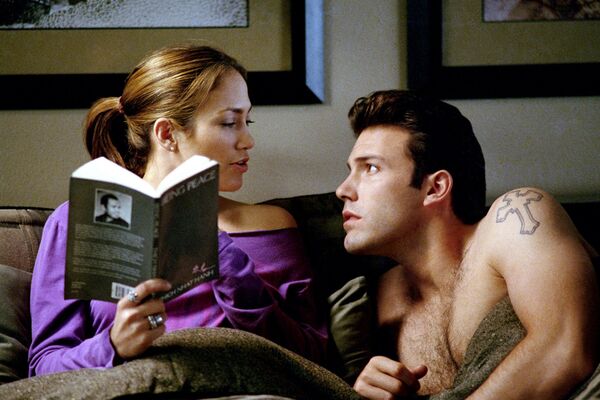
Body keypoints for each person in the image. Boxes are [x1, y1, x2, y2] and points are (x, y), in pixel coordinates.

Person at [29, 44, 328, 376]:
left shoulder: (270, 226)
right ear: (167, 133)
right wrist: (112, 345)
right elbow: (44, 366)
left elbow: (315, 359)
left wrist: (227, 262)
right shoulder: (76, 221)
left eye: (248, 120)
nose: (248, 140)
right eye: (230, 122)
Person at [335, 90, 600, 399]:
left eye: (371, 168)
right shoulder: (380, 303)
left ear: (435, 188)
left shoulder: (515, 218)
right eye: (350, 171)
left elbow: (565, 350)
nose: (343, 190)